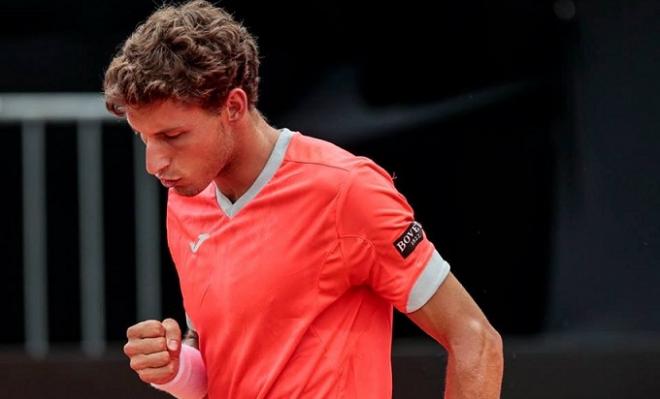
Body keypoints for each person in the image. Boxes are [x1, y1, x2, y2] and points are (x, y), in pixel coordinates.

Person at [104, 1, 503, 398]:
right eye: (145, 138)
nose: (153, 163)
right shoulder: (185, 200)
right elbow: (223, 363)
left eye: (172, 137)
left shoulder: (348, 189)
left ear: (234, 106)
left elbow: (475, 339)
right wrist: (175, 366)